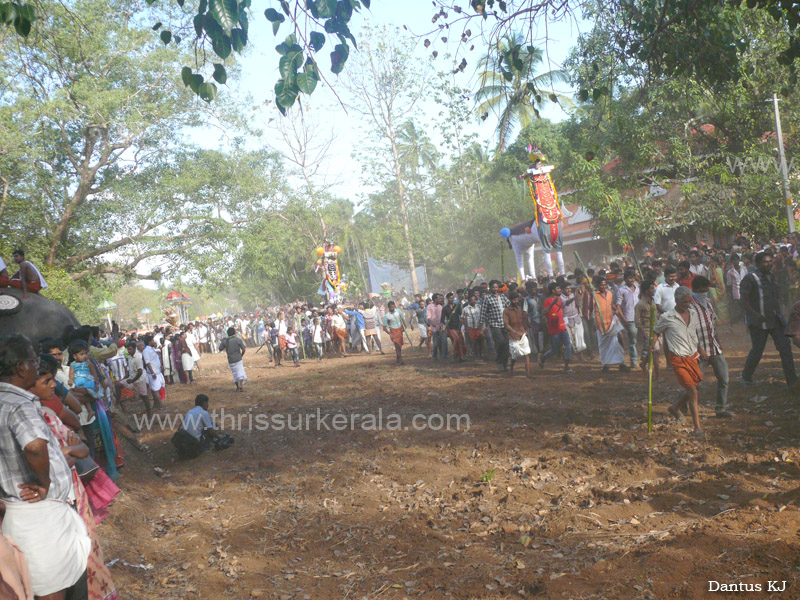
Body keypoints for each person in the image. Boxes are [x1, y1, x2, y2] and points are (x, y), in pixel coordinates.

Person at [0, 334, 91, 599]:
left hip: (22, 515)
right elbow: (34, 446)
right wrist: (44, 482)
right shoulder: (19, 404)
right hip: (39, 518)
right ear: (21, 368)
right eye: (32, 361)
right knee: (51, 591)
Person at [739, 252, 799, 389]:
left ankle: (792, 380)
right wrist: (755, 314)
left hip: (775, 320)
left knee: (785, 349)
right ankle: (746, 376)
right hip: (758, 322)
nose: (769, 264)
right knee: (757, 350)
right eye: (766, 262)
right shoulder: (750, 278)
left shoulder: (772, 276)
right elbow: (743, 301)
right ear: (758, 264)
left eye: (770, 261)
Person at [653, 287, 705, 437]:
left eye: (689, 302)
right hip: (677, 358)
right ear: (676, 301)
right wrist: (653, 344)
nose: (687, 305)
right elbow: (656, 331)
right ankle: (697, 427)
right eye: (684, 302)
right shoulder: (667, 317)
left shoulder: (694, 314)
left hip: (693, 357)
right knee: (693, 390)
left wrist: (700, 349)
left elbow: (693, 334)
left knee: (696, 387)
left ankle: (675, 407)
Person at [689, 276, 731, 418]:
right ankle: (681, 404)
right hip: (698, 351)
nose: (705, 292)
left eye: (707, 289)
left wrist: (718, 342)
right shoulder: (689, 305)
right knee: (695, 383)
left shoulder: (708, 302)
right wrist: (698, 349)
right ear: (695, 290)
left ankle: (720, 408)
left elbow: (713, 325)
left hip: (713, 347)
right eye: (702, 290)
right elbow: (688, 331)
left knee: (724, 379)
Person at [171, 394, 231, 458]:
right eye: (207, 403)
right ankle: (204, 448)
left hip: (184, 439)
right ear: (204, 403)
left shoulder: (190, 411)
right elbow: (211, 431)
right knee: (212, 425)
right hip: (193, 443)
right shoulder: (204, 413)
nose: (208, 405)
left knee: (205, 426)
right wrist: (220, 437)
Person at [594, 276, 626, 371]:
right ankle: (606, 365)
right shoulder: (594, 295)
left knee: (617, 342)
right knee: (604, 345)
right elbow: (591, 308)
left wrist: (615, 309)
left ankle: (621, 363)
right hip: (601, 324)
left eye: (605, 284)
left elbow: (611, 304)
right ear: (597, 285)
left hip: (611, 322)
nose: (603, 286)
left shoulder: (609, 293)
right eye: (601, 285)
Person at [539, 282, 572, 372]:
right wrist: (552, 304)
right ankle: (543, 357)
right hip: (554, 328)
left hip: (562, 326)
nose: (560, 290)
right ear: (553, 291)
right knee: (555, 350)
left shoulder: (560, 299)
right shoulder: (547, 301)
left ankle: (566, 366)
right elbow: (544, 312)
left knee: (568, 345)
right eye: (558, 288)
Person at [480, 281, 510, 371]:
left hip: (504, 323)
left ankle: (503, 364)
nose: (495, 289)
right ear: (490, 288)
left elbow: (509, 306)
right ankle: (499, 361)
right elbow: (483, 312)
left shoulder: (502, 296)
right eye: (493, 287)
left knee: (506, 344)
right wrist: (482, 326)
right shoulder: (487, 298)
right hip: (494, 323)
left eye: (496, 287)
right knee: (500, 342)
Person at [635, 280, 661, 381]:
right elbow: (637, 321)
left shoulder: (654, 301)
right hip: (647, 330)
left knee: (653, 351)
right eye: (651, 289)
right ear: (646, 291)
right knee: (656, 352)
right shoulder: (640, 304)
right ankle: (658, 376)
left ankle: (643, 363)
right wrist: (644, 333)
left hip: (655, 329)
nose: (653, 290)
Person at [615, 268, 640, 369]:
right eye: (629, 278)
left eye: (633, 278)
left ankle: (641, 357)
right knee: (632, 340)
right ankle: (634, 361)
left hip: (638, 318)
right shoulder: (621, 290)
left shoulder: (638, 288)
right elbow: (618, 306)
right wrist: (623, 318)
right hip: (629, 318)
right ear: (625, 279)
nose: (631, 280)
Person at [504, 292, 532, 377]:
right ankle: (511, 369)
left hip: (522, 334)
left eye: (517, 299)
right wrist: (515, 332)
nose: (516, 301)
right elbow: (506, 325)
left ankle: (528, 373)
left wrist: (525, 329)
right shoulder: (506, 311)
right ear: (511, 300)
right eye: (514, 299)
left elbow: (523, 320)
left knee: (526, 353)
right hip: (513, 336)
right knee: (514, 355)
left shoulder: (520, 309)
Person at [141, 338, 164, 411]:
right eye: (152, 340)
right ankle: (160, 406)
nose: (154, 341)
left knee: (157, 389)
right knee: (155, 390)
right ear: (149, 341)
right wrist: (152, 372)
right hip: (153, 373)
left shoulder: (152, 349)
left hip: (158, 372)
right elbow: (147, 363)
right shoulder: (146, 351)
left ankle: (156, 404)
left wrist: (160, 366)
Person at [442, 293, 466, 361]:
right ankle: (456, 354)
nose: (451, 300)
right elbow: (442, 319)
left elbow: (461, 314)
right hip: (450, 327)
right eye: (450, 298)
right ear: (447, 299)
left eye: (452, 298)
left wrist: (460, 306)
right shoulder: (445, 308)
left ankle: (460, 356)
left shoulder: (456, 306)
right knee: (457, 340)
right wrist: (443, 327)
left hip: (458, 326)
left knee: (461, 341)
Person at [726, 253, 748, 326]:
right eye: (734, 260)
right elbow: (729, 284)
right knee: (740, 308)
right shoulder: (730, 272)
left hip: (745, 291)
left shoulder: (744, 269)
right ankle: (734, 322)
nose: (736, 261)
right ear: (732, 261)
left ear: (739, 260)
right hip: (736, 292)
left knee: (745, 307)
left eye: (737, 259)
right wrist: (730, 295)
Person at [462, 293, 485, 360]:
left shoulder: (480, 307)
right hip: (470, 327)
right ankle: (476, 356)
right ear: (469, 300)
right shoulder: (465, 309)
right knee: (474, 342)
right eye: (471, 300)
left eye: (474, 300)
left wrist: (482, 326)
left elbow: (482, 317)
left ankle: (480, 355)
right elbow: (463, 318)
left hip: (479, 326)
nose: (473, 301)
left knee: (480, 341)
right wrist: (465, 326)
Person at [382, 300, 405, 365]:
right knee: (397, 345)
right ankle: (400, 359)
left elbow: (402, 319)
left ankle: (398, 358)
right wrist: (390, 334)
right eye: (391, 307)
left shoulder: (398, 311)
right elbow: (384, 327)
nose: (392, 308)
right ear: (388, 307)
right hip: (393, 331)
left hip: (400, 330)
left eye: (393, 307)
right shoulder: (387, 316)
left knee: (399, 345)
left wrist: (404, 326)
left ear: (394, 306)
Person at [427, 294, 447, 360]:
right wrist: (432, 323)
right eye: (439, 298)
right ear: (435, 299)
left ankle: (444, 356)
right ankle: (434, 355)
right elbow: (428, 317)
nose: (440, 299)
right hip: (434, 328)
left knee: (444, 342)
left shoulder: (440, 307)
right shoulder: (429, 306)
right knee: (435, 343)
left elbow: (443, 317)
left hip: (442, 327)